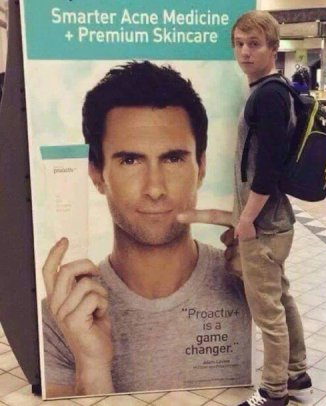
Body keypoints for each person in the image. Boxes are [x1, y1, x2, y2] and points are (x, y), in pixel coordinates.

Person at [41, 60, 252, 398]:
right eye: (130, 160)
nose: (155, 189)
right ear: (96, 174)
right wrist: (91, 366)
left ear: (201, 167)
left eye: (173, 158)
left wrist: (270, 292)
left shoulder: (248, 282)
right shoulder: (63, 312)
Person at [230, 10, 312, 406]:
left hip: (263, 223)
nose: (245, 52)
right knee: (280, 297)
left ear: (273, 48)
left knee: (267, 311)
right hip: (274, 219)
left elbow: (268, 168)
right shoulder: (271, 90)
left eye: (254, 44)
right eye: (239, 44)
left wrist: (247, 219)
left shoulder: (270, 96)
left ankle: (273, 391)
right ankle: (296, 373)